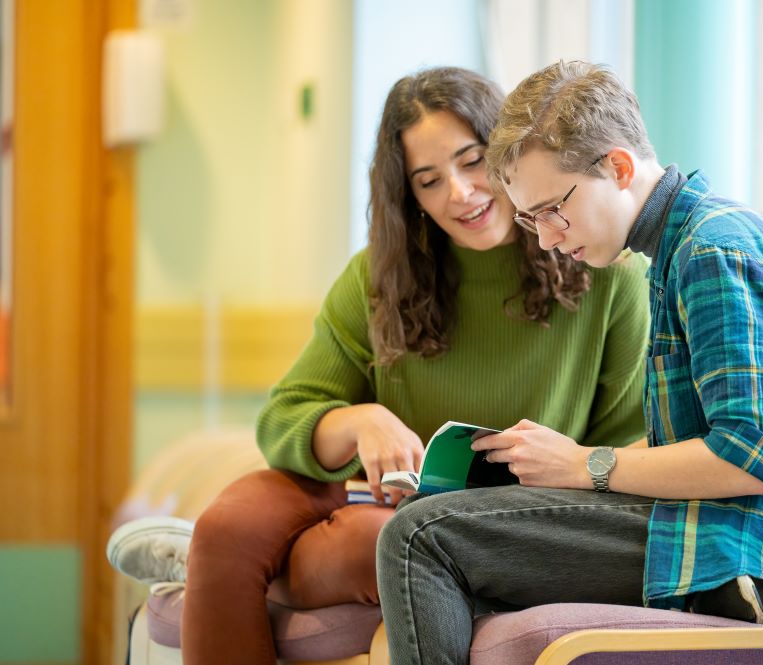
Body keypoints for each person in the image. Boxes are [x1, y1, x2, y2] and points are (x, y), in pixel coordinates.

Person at [106, 66, 650, 665]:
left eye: (473, 161)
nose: (461, 193)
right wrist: (361, 421)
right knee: (226, 527)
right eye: (429, 180)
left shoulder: (606, 273)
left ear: (511, 153)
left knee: (372, 544)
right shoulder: (378, 276)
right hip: (375, 493)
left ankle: (201, 564)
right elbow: (283, 420)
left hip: (492, 518)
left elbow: (621, 448)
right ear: (409, 197)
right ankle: (208, 552)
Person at [375, 60, 763, 665]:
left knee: (418, 538)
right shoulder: (678, 247)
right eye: (531, 219)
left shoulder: (716, 251)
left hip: (757, 551)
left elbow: (747, 458)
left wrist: (586, 463)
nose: (548, 239)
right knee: (429, 514)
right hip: (727, 529)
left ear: (618, 167)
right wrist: (554, 465)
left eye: (553, 209)